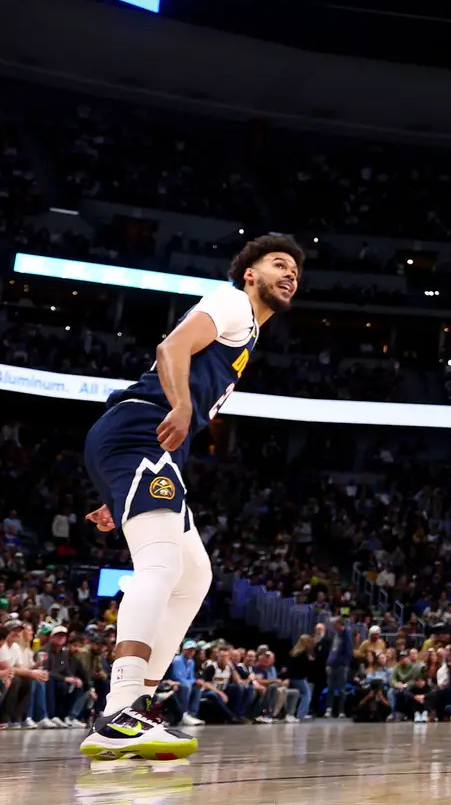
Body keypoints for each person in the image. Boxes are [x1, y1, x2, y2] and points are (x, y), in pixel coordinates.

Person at [79, 234, 302, 760]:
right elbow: (170, 348)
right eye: (278, 264)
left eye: (295, 269)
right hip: (141, 429)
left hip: (147, 445)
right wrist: (180, 406)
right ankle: (118, 710)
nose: (290, 273)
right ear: (250, 274)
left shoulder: (249, 337)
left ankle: (137, 707)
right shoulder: (231, 303)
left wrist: (119, 492)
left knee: (194, 574)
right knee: (158, 565)